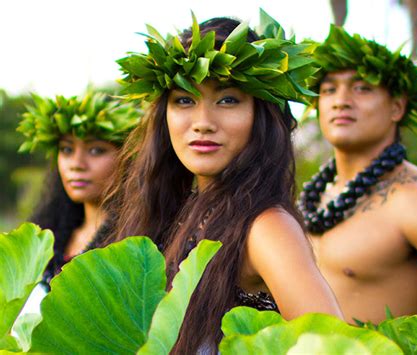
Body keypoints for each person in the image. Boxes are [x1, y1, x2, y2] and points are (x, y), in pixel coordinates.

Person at [105, 12, 343, 353]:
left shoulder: (266, 228)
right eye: (185, 100)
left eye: (228, 99)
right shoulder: (183, 211)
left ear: (260, 115)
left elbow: (337, 347)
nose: (203, 122)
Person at [298, 25, 417, 324]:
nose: (341, 100)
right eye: (329, 89)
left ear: (396, 107)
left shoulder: (415, 199)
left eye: (362, 88)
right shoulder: (316, 194)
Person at [17, 91, 142, 288]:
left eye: (96, 150)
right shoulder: (49, 236)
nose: (76, 164)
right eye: (67, 149)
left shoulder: (141, 240)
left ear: (128, 157)